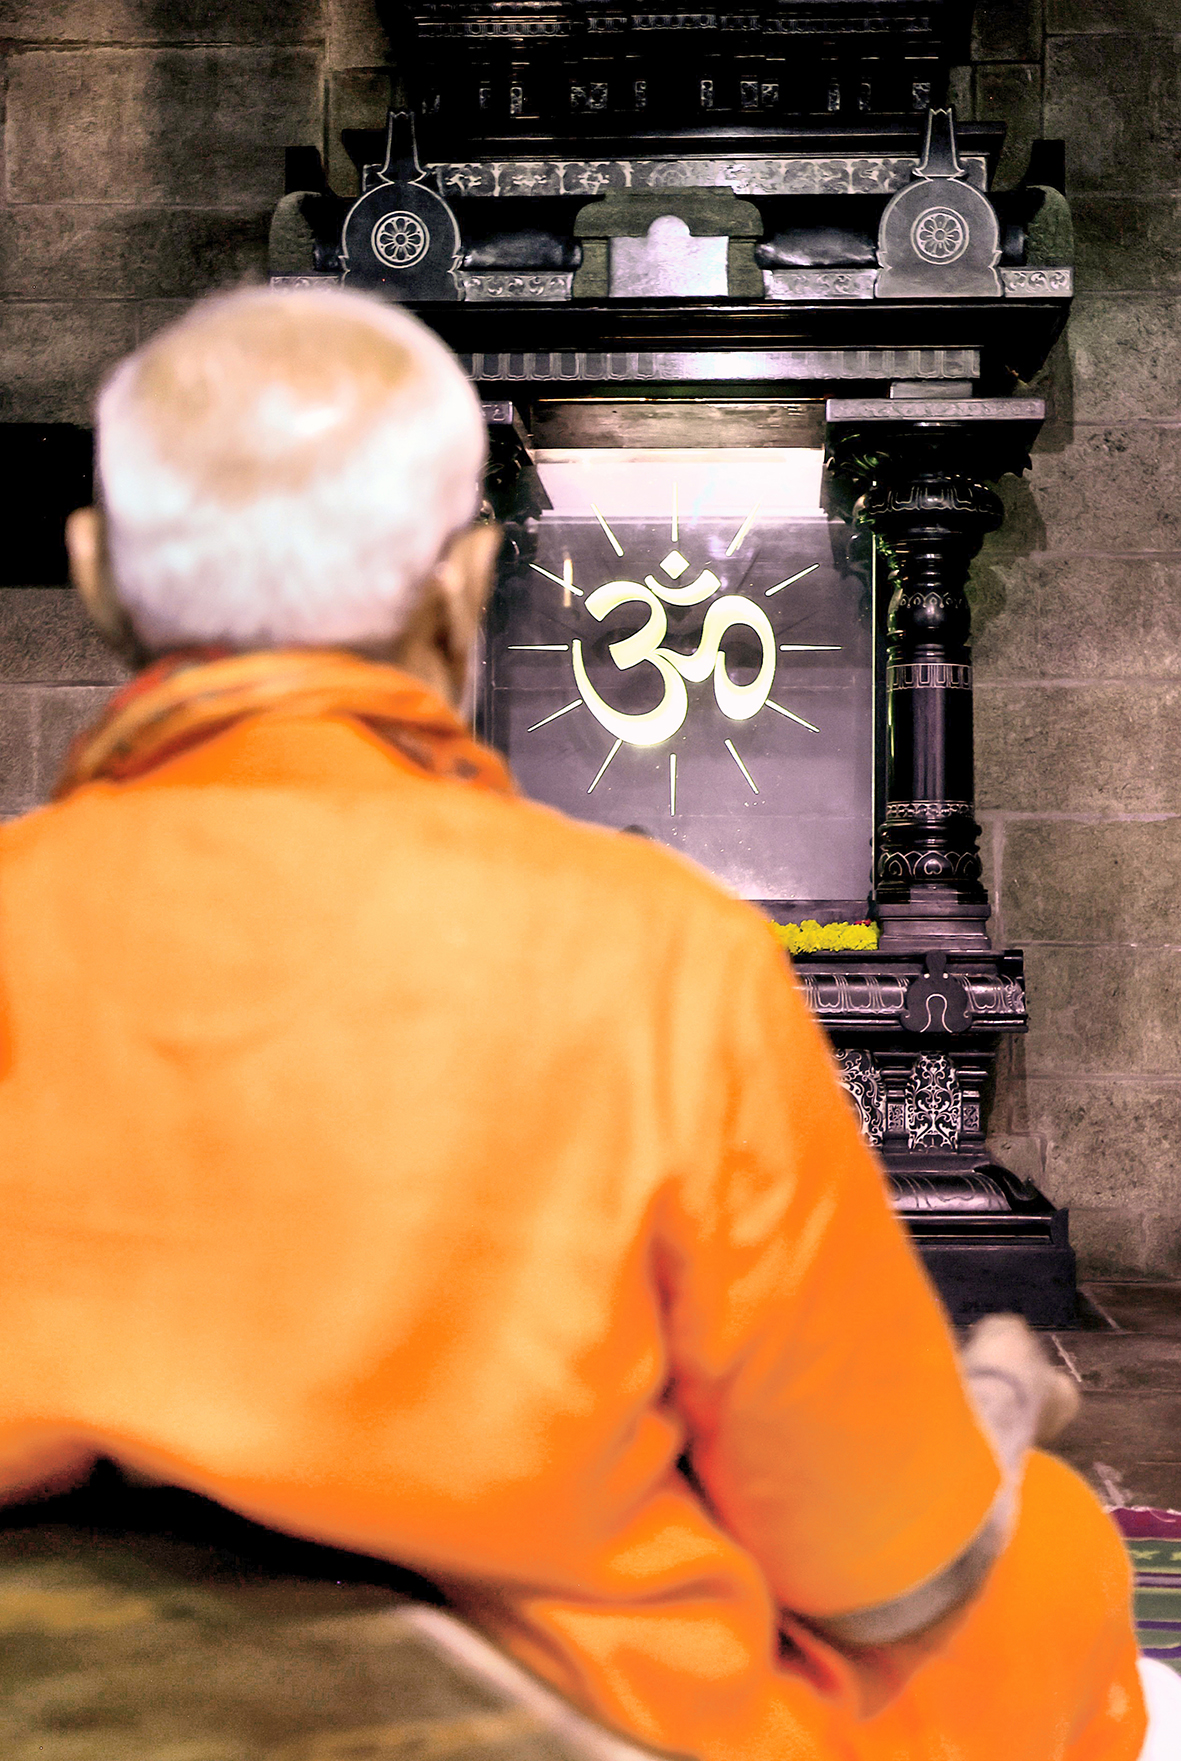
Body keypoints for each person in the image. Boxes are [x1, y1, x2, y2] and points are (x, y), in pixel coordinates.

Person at [0, 286, 1165, 1761]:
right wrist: (986, 1409)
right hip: (552, 1708)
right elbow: (883, 1573)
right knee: (1044, 1564)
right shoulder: (656, 951)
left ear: (97, 575)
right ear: (463, 582)